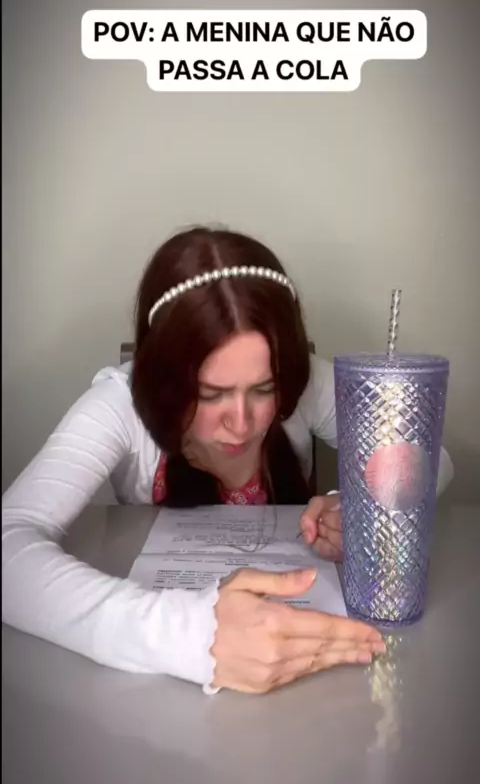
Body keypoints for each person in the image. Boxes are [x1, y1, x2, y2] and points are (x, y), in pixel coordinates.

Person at [2, 226, 454, 694]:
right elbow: (7, 543)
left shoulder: (305, 384)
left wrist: (360, 506)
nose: (241, 423)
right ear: (165, 376)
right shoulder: (119, 404)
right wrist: (190, 636)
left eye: (264, 389)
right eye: (209, 394)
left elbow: (433, 459)